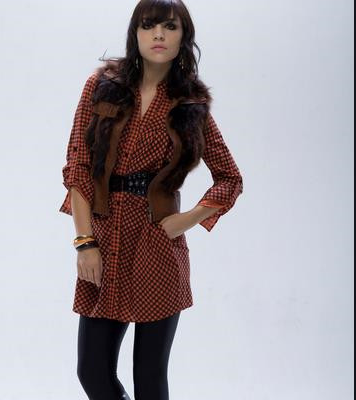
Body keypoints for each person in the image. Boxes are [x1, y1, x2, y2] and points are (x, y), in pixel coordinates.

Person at [58, 0, 243, 398]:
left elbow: (230, 178)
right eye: (149, 25)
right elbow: (78, 166)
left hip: (157, 246)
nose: (158, 34)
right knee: (92, 371)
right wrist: (85, 243)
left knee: (150, 377)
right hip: (105, 240)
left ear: (183, 37)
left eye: (170, 27)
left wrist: (185, 220)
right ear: (135, 34)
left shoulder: (190, 105)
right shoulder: (101, 86)